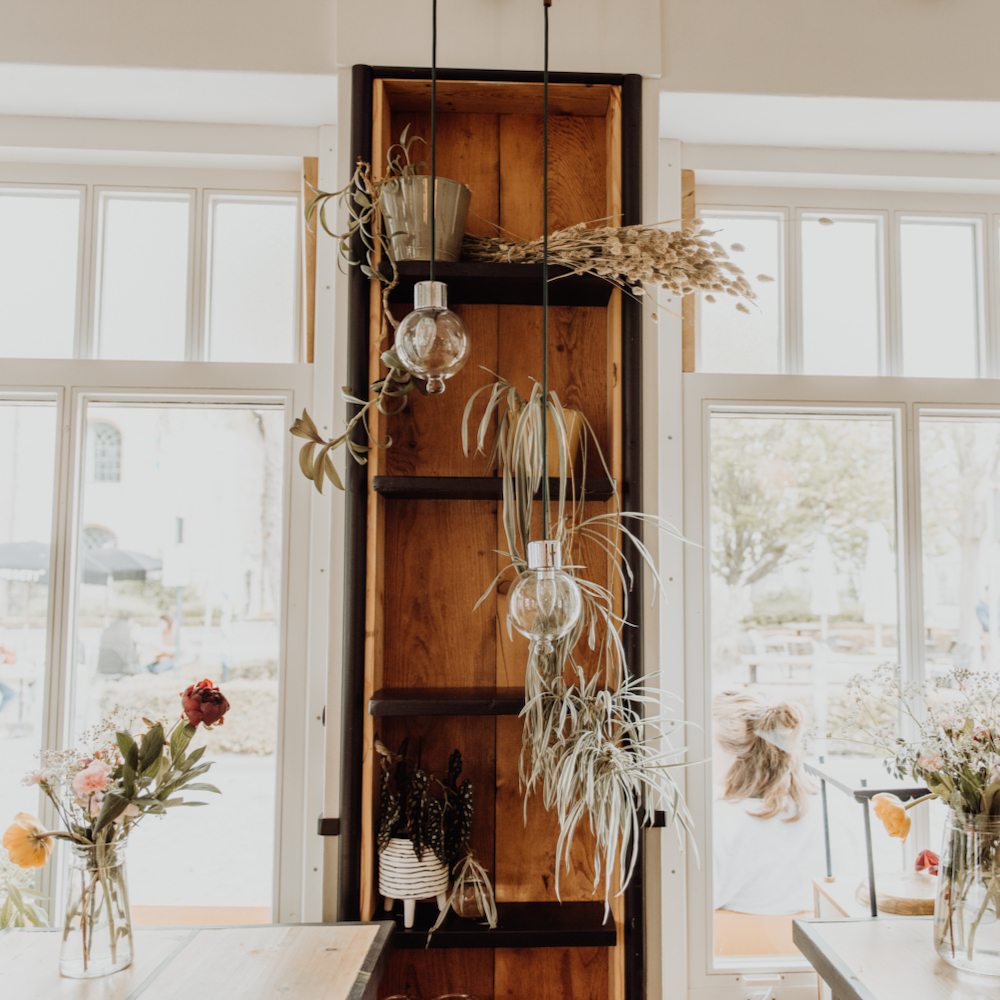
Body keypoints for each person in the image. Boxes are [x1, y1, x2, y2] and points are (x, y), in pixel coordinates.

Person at [712, 688, 823, 915]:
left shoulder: (721, 822)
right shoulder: (825, 806)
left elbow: (690, 907)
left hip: (736, 947)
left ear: (735, 755)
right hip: (814, 946)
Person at [96, 612, 140, 677]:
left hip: (103, 668)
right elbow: (142, 642)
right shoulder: (130, 630)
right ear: (130, 619)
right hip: (122, 669)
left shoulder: (108, 629)